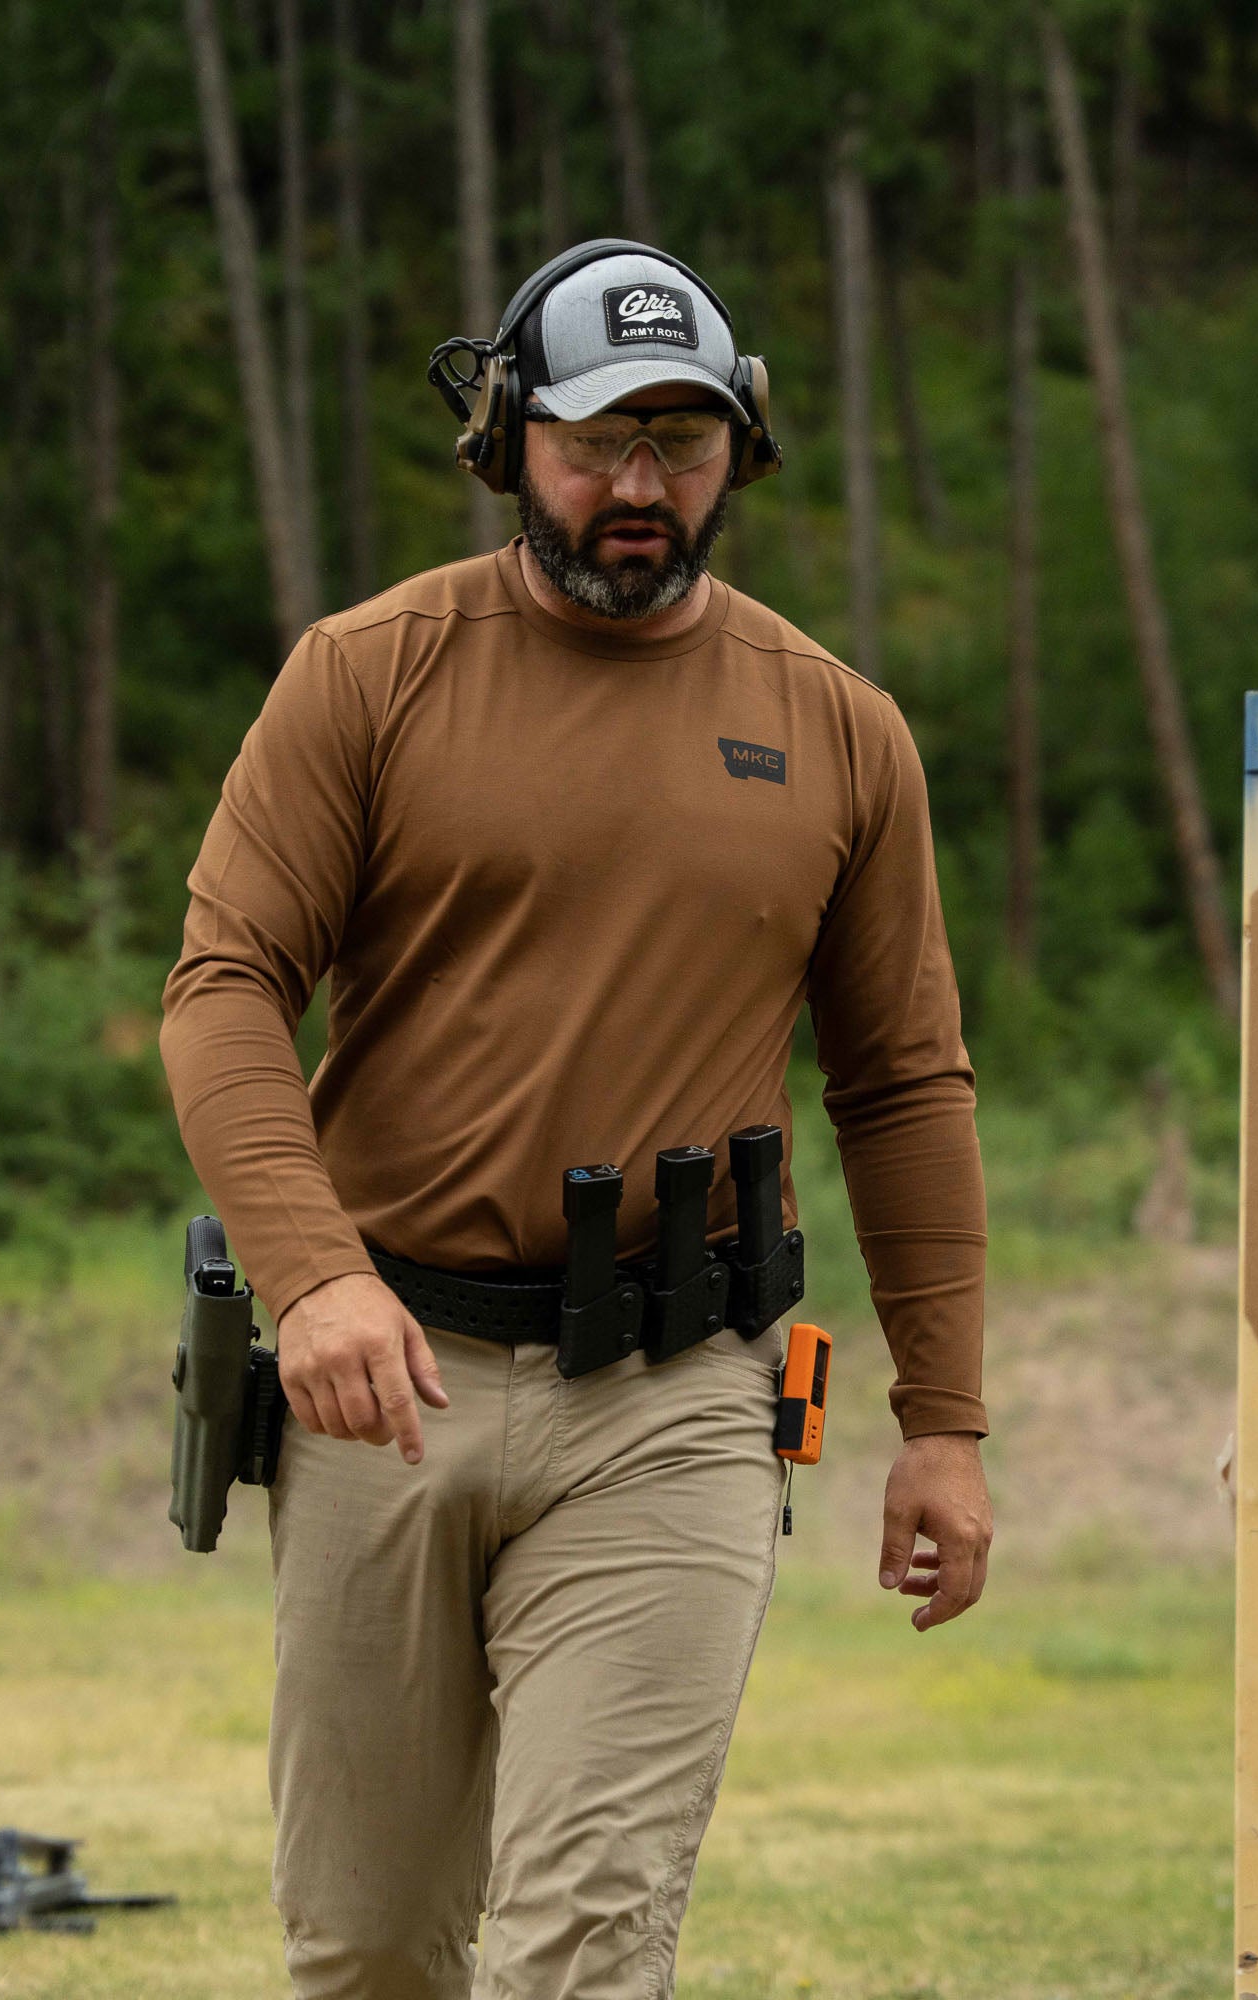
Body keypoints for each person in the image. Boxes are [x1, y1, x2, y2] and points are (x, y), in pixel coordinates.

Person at [159, 240, 993, 2000]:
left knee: (585, 1943)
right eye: (601, 441)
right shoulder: (367, 676)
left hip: (678, 1398)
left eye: (684, 444)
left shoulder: (841, 732)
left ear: (741, 452)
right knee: (372, 1942)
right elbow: (224, 987)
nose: (639, 488)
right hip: (384, 1380)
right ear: (508, 437)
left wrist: (949, 1420)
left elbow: (904, 1083)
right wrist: (310, 1281)